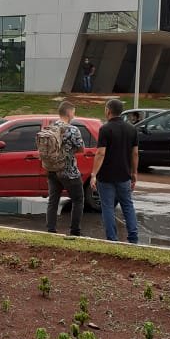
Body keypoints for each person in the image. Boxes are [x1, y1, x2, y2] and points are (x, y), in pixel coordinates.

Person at [90, 98, 139, 243]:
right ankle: (133, 237)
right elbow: (135, 153)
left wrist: (93, 174)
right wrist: (134, 173)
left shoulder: (105, 129)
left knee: (108, 208)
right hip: (124, 175)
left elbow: (100, 153)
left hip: (106, 177)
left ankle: (112, 238)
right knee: (127, 205)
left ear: (108, 111)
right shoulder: (131, 129)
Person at [46, 100, 85, 237]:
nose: (74, 115)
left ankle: (51, 229)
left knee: (53, 200)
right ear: (68, 112)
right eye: (73, 112)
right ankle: (75, 231)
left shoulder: (50, 127)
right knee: (78, 199)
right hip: (69, 171)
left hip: (52, 169)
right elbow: (81, 149)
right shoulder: (73, 130)